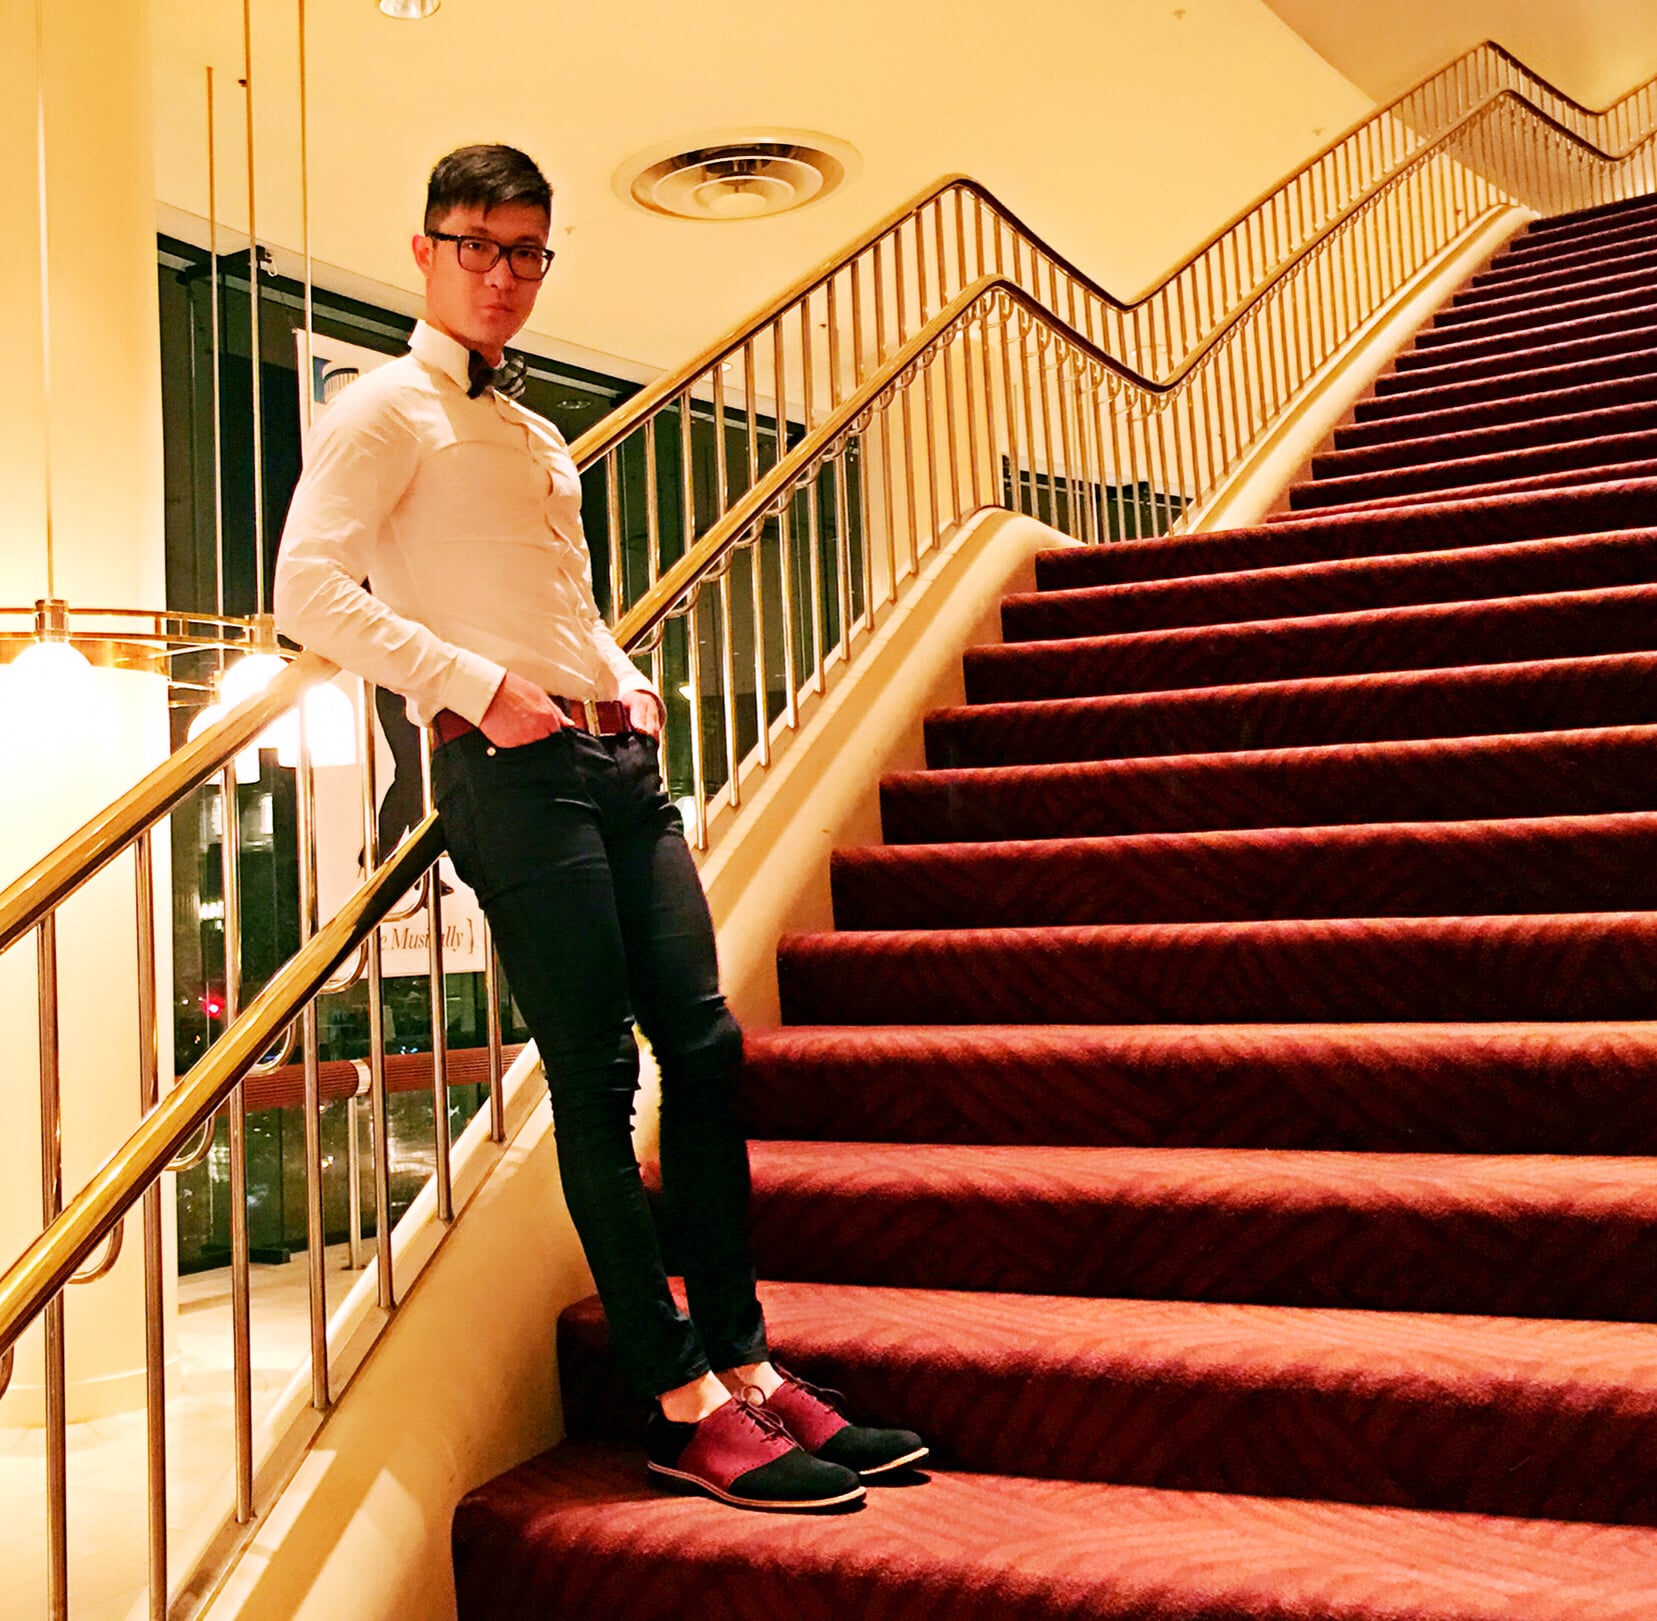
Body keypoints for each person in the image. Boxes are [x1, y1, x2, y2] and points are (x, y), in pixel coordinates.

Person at [274, 143, 925, 1512]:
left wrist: (620, 674)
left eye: (526, 251)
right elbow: (308, 593)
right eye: (477, 246)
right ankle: (679, 1397)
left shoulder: (530, 434)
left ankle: (746, 1362)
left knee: (706, 1043)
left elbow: (555, 601)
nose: (503, 274)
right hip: (508, 771)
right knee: (595, 1072)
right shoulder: (381, 408)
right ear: (426, 250)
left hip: (612, 757)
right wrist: (478, 687)